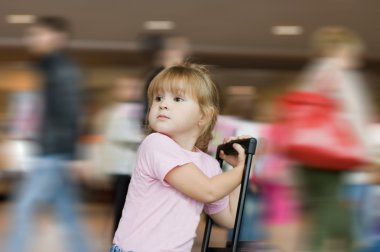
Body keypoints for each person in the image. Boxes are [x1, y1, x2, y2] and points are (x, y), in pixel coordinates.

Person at [110, 63, 250, 252]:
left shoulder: (208, 165)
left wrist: (235, 170)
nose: (163, 104)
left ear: (203, 115)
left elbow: (229, 218)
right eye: (158, 98)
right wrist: (243, 170)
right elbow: (208, 191)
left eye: (177, 98)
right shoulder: (156, 144)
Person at [5, 16, 88, 251]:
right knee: (69, 215)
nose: (30, 39)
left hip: (53, 152)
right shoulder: (44, 67)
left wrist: (73, 155)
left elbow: (69, 112)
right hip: (52, 151)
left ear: (57, 37)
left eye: (37, 34)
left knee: (23, 209)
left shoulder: (61, 68)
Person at [296, 27, 374, 252]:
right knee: (334, 212)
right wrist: (366, 154)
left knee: (323, 210)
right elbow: (354, 116)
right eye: (351, 52)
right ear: (340, 49)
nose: (355, 57)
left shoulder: (313, 73)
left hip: (311, 154)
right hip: (331, 154)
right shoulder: (340, 74)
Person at [94, 77, 144, 234]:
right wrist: (146, 138)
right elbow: (117, 135)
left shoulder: (134, 109)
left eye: (133, 87)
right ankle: (118, 238)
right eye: (125, 87)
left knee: (129, 206)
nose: (130, 91)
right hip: (122, 168)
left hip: (131, 167)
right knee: (121, 205)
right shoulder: (115, 111)